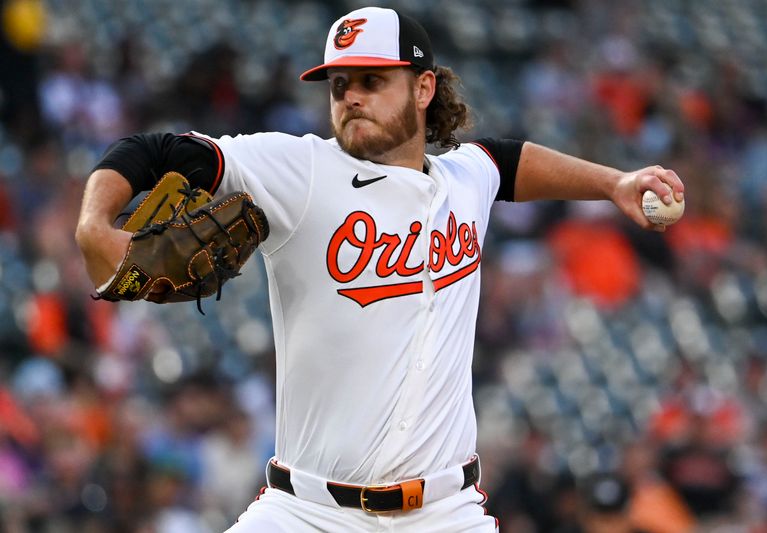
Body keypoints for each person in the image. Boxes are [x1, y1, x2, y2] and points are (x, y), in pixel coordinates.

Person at [74, 6, 685, 532]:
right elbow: (153, 151)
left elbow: (507, 161)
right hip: (309, 512)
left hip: (445, 511)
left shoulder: (463, 177)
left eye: (372, 80)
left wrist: (615, 183)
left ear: (423, 90)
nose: (352, 98)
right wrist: (94, 223)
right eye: (340, 85)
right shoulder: (299, 172)